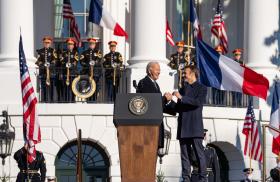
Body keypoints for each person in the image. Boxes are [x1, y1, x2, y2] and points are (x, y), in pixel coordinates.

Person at [165, 65, 207, 182]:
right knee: (184, 156)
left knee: (199, 154)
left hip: (195, 127)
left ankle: (203, 178)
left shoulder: (201, 88)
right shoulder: (183, 89)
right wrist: (169, 102)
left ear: (193, 74)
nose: (183, 75)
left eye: (185, 73)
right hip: (183, 127)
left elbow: (198, 103)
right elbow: (178, 109)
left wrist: (182, 97)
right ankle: (186, 179)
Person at [136, 62, 175, 150]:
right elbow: (151, 102)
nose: (159, 72)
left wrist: (172, 106)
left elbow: (158, 104)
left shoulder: (155, 84)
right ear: (150, 71)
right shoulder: (145, 83)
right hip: (150, 127)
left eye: (159, 70)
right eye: (157, 70)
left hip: (156, 125)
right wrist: (165, 98)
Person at [35, 36, 57, 103]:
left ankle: (51, 100)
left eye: (48, 43)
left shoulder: (53, 51)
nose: (47, 44)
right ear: (43, 43)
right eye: (45, 43)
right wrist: (42, 64)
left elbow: (55, 60)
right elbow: (37, 61)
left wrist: (50, 64)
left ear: (50, 43)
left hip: (51, 72)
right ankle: (44, 100)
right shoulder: (40, 51)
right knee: (43, 87)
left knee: (51, 87)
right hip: (43, 72)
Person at [60, 38, 79, 102]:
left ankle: (73, 100)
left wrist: (70, 65)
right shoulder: (63, 53)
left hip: (73, 73)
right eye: (68, 44)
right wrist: (66, 64)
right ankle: (66, 100)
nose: (70, 46)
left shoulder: (75, 53)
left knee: (73, 88)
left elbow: (75, 61)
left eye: (71, 44)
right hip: (65, 73)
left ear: (73, 46)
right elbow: (61, 61)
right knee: (65, 88)